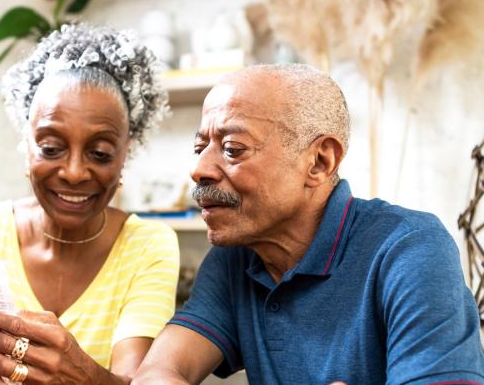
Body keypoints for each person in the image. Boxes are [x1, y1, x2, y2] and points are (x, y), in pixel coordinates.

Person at [134, 64, 484, 384]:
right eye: (200, 147)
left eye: (232, 148)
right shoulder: (235, 257)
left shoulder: (411, 249)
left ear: (319, 162)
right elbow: (158, 372)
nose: (199, 169)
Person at [0, 23, 180, 384]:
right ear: (27, 146)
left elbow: (135, 378)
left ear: (124, 156)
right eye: (52, 148)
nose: (73, 172)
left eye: (100, 153)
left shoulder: (147, 245)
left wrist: (80, 375)